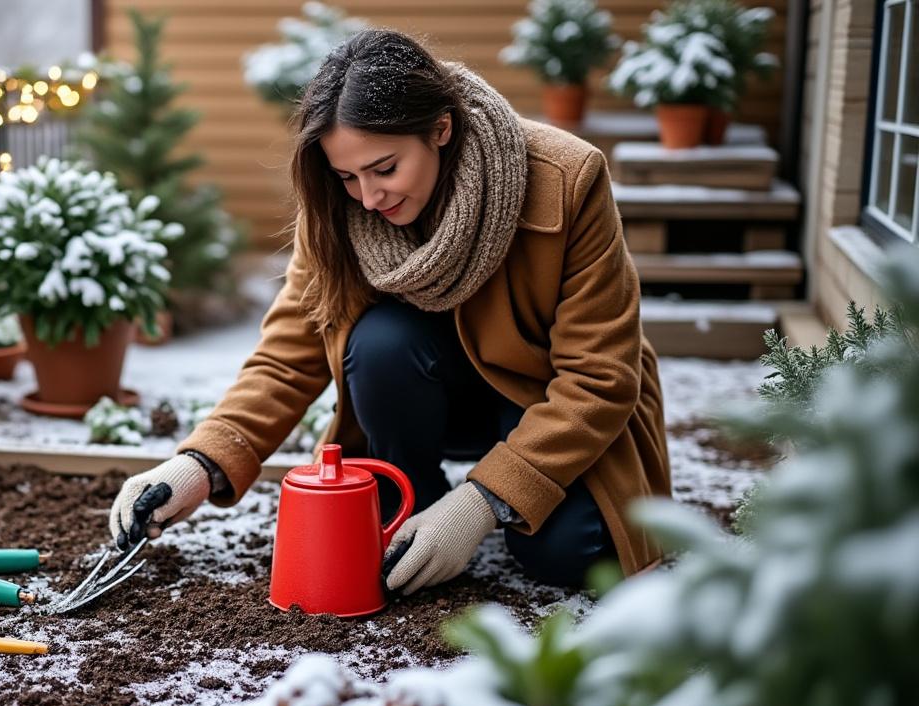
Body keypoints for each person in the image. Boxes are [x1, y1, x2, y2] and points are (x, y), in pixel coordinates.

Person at [109, 29, 671, 594]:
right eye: (348, 176)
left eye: (385, 168)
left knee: (570, 556)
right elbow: (289, 352)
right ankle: (412, 506)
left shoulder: (567, 178)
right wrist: (201, 464)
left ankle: (457, 516)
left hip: (545, 403)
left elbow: (599, 378)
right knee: (379, 342)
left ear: (440, 129)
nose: (369, 198)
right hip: (424, 396)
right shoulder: (339, 211)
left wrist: (477, 506)